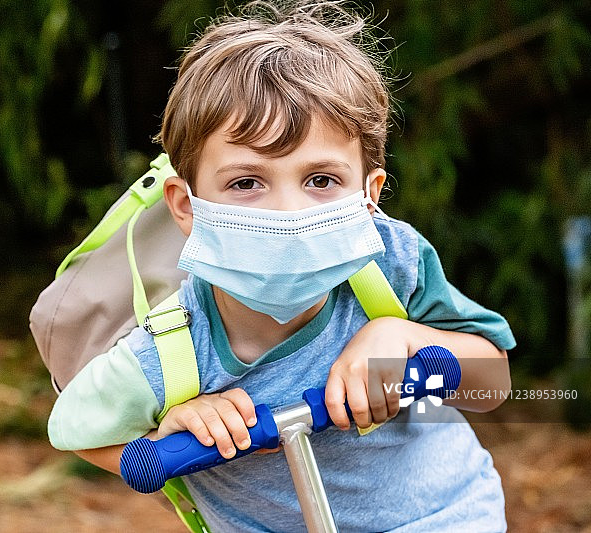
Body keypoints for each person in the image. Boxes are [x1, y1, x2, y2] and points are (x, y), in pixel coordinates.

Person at [47, 1, 516, 531]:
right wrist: (163, 438)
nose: (288, 214)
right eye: (246, 182)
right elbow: (77, 430)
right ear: (186, 205)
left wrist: (401, 335)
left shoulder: (392, 266)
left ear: (369, 195)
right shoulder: (173, 351)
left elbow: (491, 383)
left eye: (321, 179)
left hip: (448, 516)